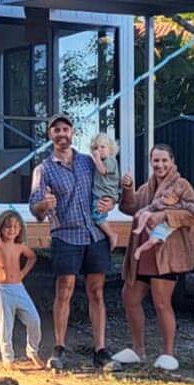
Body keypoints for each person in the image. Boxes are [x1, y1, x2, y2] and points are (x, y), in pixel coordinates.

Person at [28, 113, 131, 370]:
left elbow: (108, 183)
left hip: (94, 234)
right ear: (50, 135)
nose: (61, 134)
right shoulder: (44, 169)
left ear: (72, 133)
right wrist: (44, 204)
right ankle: (59, 348)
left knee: (97, 291)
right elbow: (34, 208)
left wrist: (112, 200)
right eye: (56, 130)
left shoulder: (88, 161)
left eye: (65, 129)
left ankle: (100, 350)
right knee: (65, 290)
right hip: (66, 234)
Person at [109, 144, 194, 372]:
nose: (159, 165)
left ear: (172, 161)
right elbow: (129, 208)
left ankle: (168, 352)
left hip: (165, 253)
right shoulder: (147, 188)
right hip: (142, 254)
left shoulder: (181, 185)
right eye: (155, 161)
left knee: (161, 302)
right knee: (129, 297)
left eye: (164, 161)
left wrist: (164, 215)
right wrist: (128, 189)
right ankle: (138, 349)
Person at [0, 210, 45, 370]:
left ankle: (32, 351)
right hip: (2, 289)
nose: (12, 230)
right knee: (6, 325)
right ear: (0, 228)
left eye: (16, 226)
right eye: (8, 226)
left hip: (18, 287)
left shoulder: (19, 246)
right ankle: (8, 358)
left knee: (34, 320)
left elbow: (32, 257)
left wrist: (23, 273)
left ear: (20, 229)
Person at [90, 133, 122, 250]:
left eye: (102, 147)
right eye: (96, 148)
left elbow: (102, 171)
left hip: (105, 195)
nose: (99, 150)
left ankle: (112, 234)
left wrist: (96, 158)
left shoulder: (110, 161)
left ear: (111, 149)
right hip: (99, 194)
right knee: (96, 215)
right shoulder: (101, 161)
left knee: (97, 216)